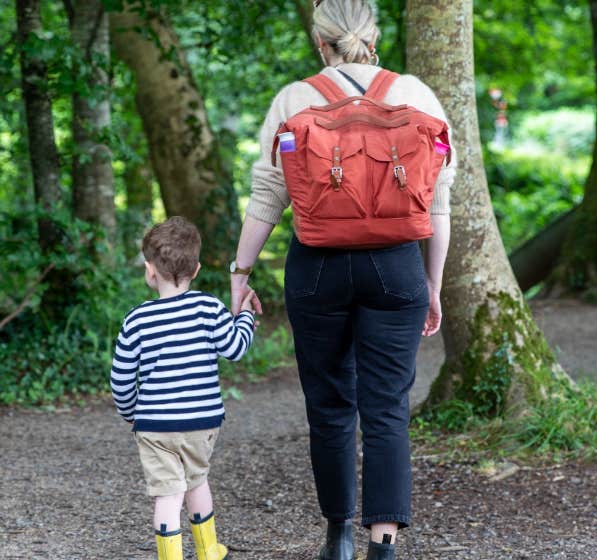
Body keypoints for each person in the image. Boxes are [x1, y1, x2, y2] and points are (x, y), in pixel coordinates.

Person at [229, 1, 455, 558]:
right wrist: (434, 285)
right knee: (387, 406)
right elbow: (441, 202)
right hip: (398, 262)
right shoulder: (417, 95)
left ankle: (339, 536)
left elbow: (268, 196)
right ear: (374, 37)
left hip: (316, 265)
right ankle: (384, 542)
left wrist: (240, 274)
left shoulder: (293, 98)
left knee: (329, 405)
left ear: (319, 40)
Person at [111, 216, 258, 560]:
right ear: (196, 269)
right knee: (197, 481)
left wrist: (131, 414)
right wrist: (247, 314)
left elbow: (120, 380)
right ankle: (208, 550)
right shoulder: (208, 308)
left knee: (167, 495)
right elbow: (235, 348)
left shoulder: (136, 320)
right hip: (202, 423)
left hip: (155, 427)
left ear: (149, 270)